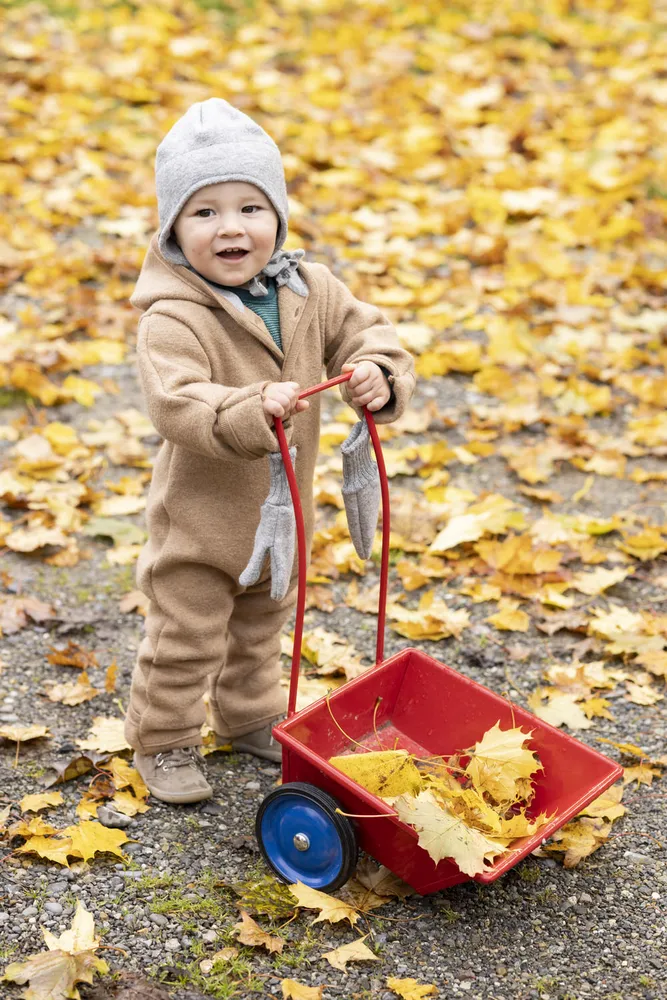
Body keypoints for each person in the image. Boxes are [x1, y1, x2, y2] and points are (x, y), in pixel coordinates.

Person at [124, 98, 415, 803]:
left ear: (277, 216)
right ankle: (161, 741)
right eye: (204, 212)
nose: (231, 227)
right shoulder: (172, 316)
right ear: (172, 231)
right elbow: (177, 401)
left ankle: (250, 717)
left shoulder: (309, 289)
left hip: (280, 518)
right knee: (186, 636)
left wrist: (378, 371)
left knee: (260, 625)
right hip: (201, 522)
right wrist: (247, 407)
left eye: (250, 207)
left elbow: (366, 334)